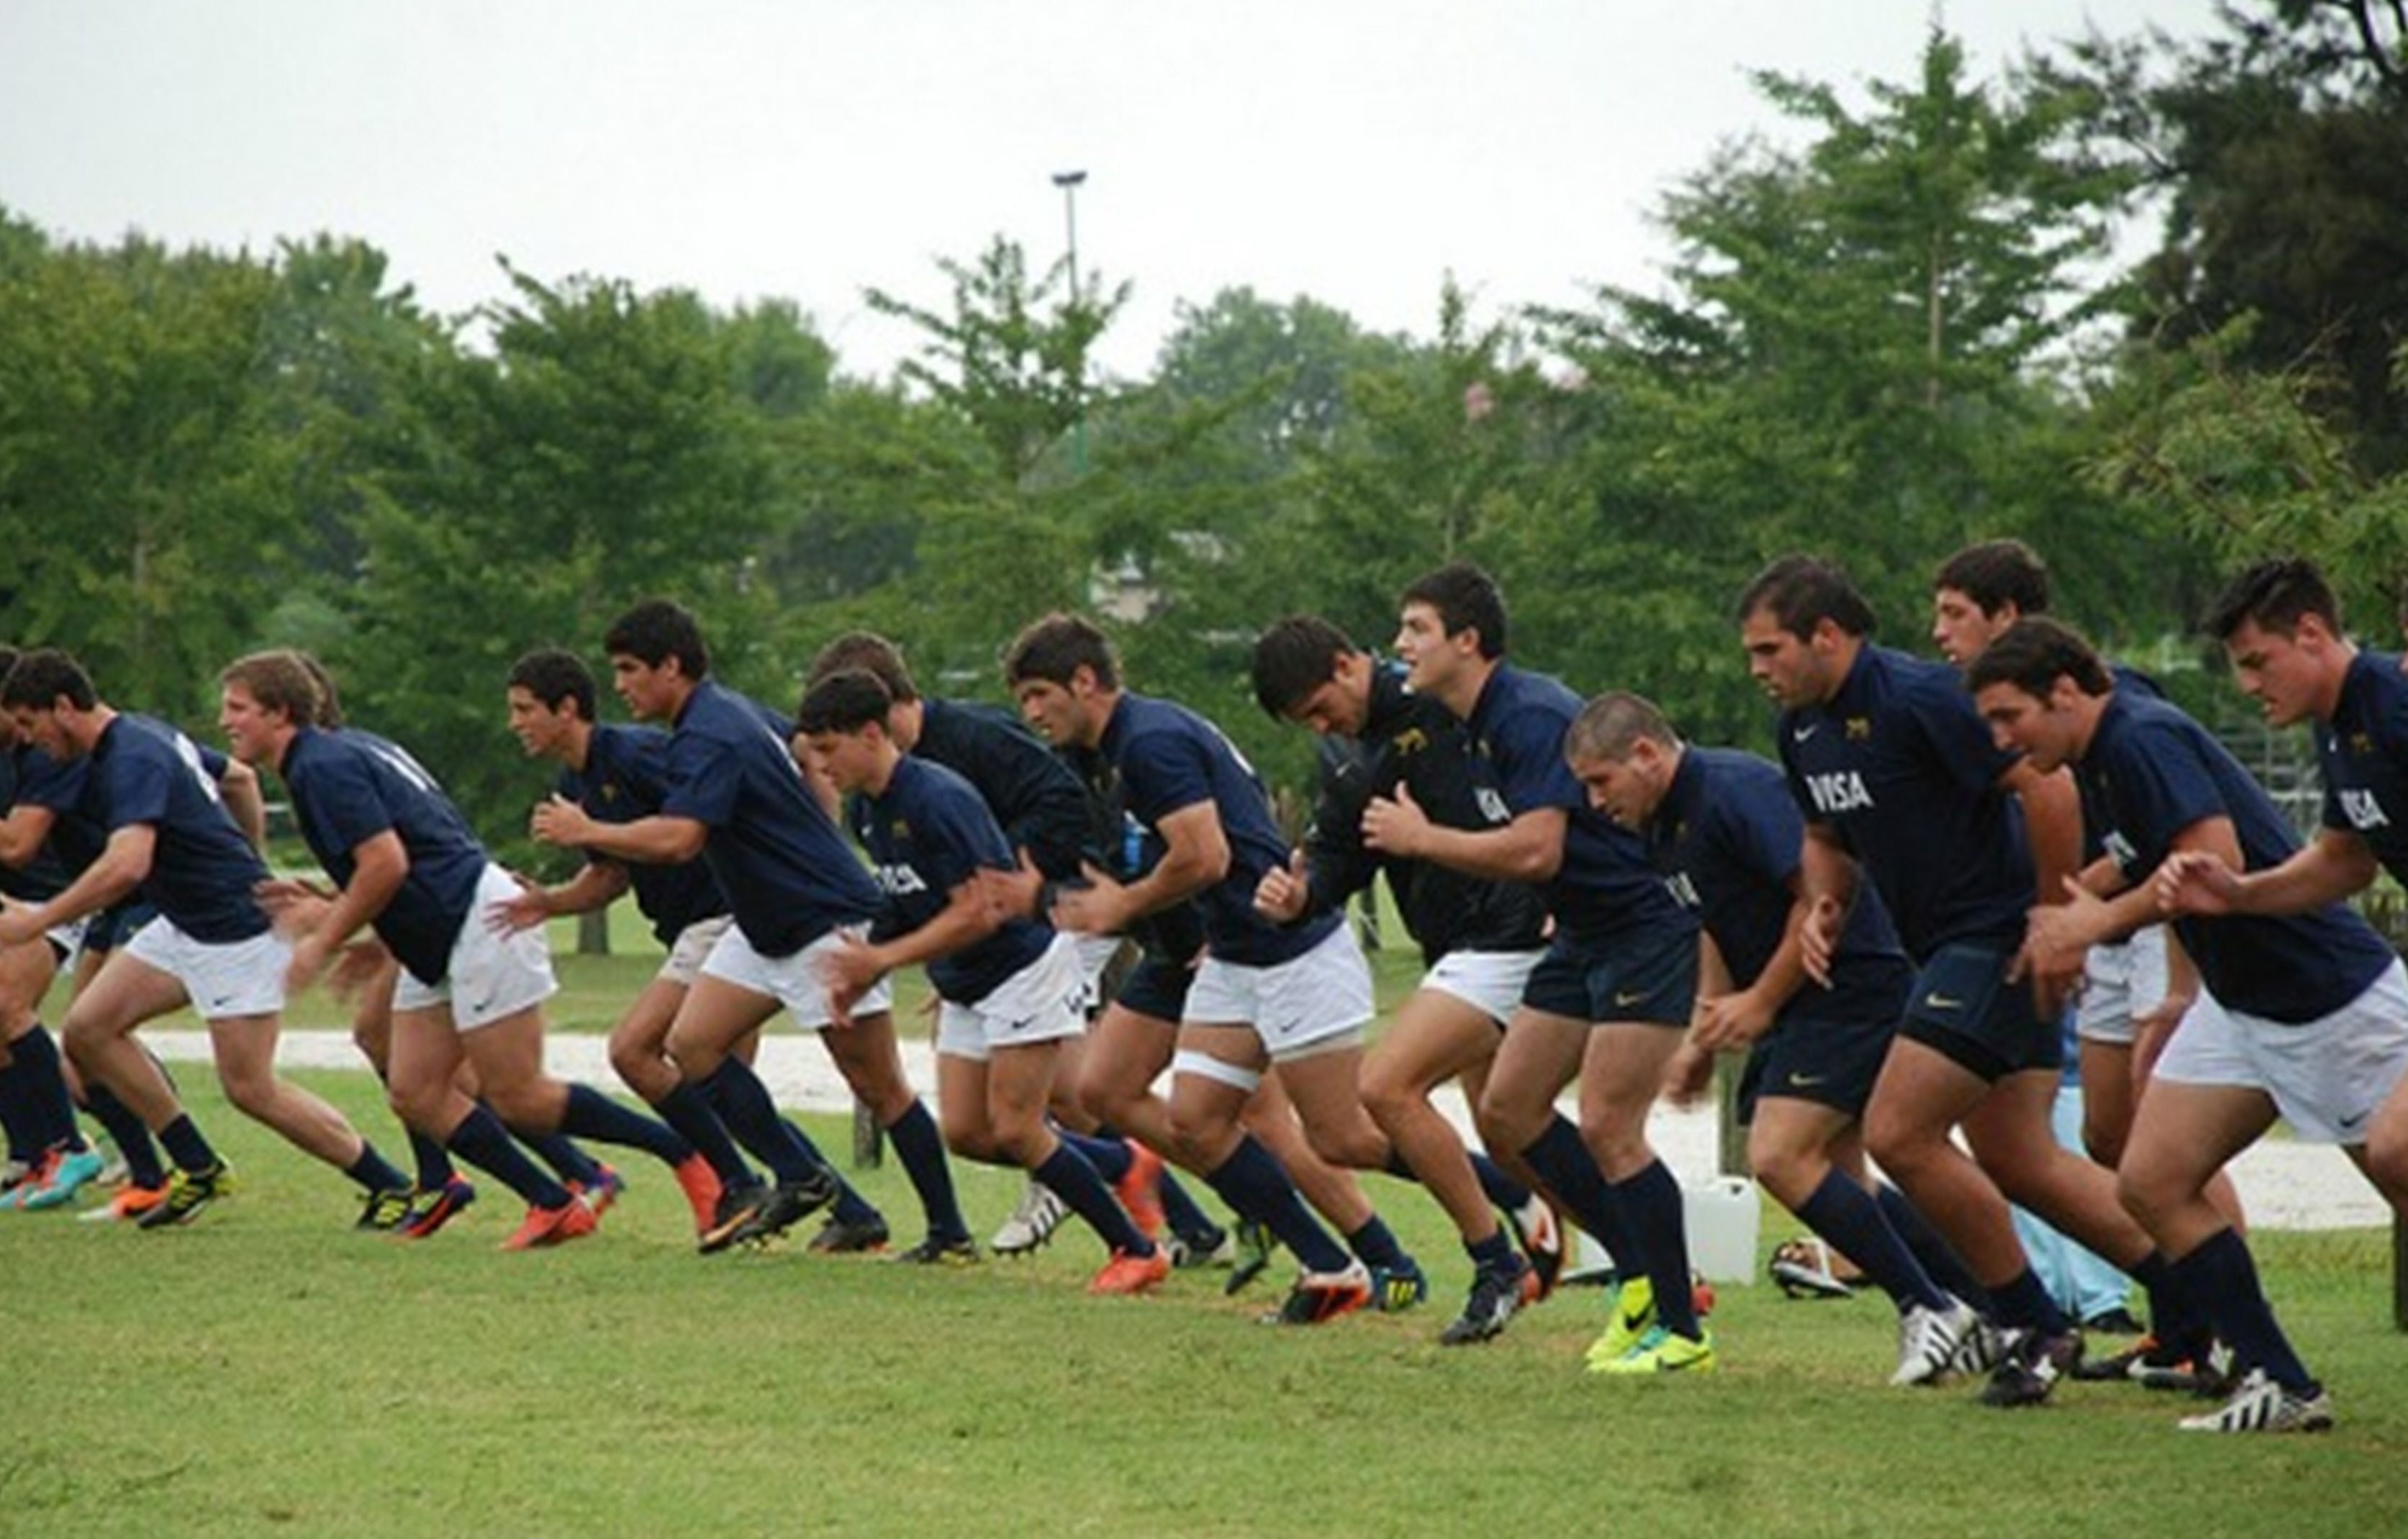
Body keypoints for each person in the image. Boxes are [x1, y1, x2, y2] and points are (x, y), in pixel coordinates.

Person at [1735, 555, 2202, 1407]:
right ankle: (2198, 1295)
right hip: (1948, 948)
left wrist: (2052, 918)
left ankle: (2029, 1324)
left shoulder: (1919, 698)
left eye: (1770, 649)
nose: (1758, 668)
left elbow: (2048, 789)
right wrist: (1822, 908)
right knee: (2022, 1160)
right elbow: (1826, 838)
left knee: (1897, 1132)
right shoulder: (1800, 730)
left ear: (1826, 636)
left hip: (1990, 939)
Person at [1970, 613, 2408, 1433]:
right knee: (2150, 1181)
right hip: (2238, 1006)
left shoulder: (2140, 737)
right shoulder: (2099, 758)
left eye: (2008, 716)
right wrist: (2079, 915)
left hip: (2327, 997)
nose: (2000, 739)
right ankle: (2283, 1383)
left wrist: (2095, 923)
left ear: (2062, 693)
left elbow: (2215, 855)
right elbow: (2151, 861)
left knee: (2400, 1172)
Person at [219, 650, 717, 1251]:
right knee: (416, 1090)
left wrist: (322, 937)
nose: (225, 721)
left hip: (476, 920)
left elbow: (387, 863)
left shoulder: (323, 766)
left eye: (238, 708)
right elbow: (410, 853)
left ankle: (683, 1152)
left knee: (520, 1096)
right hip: (438, 929)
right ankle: (552, 1201)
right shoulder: (334, 756)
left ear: (279, 712)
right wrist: (363, 926)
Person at [1004, 612, 1418, 1324]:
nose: (1032, 713)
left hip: (1272, 942)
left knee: (1330, 1134)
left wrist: (1122, 904)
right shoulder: (1094, 756)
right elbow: (1119, 863)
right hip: (1211, 948)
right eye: (1022, 701)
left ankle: (1490, 1197)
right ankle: (1332, 1259)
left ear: (1084, 680)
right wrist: (1044, 897)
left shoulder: (1149, 740)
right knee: (1122, 1093)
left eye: (1039, 694)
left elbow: (1204, 856)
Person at [535, 601, 972, 1263]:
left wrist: (588, 829)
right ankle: (799, 1176)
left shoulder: (711, 732)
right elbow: (803, 749)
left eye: (629, 669)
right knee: (692, 1044)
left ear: (671, 666)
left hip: (821, 917)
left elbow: (682, 839)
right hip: (763, 921)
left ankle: (949, 1233)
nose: (619, 685)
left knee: (878, 1086)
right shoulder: (717, 715)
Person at [1562, 691, 1978, 1384]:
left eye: (1601, 781)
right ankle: (1985, 1306)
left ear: (1645, 753)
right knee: (1841, 1175)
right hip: (1806, 1000)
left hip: (1853, 980)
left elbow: (1818, 898)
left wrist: (1760, 1000)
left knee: (1780, 1154)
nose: (1595, 801)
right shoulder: (1661, 828)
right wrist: (1704, 1032)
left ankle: (1929, 1306)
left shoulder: (1735, 790)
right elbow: (1712, 922)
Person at [1364, 564, 1708, 1374]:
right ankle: (1640, 1281)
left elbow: (1536, 849)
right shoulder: (1474, 724)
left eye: (1416, 628)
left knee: (1610, 1127)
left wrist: (1421, 841)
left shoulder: (1527, 713)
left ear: (1467, 640)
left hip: (1642, 927)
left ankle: (1681, 1325)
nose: (1401, 644)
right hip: (1581, 932)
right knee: (1510, 1111)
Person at [802, 632, 1228, 1262]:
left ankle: (1115, 1211)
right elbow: (911, 887)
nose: (823, 764)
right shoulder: (875, 802)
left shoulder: (969, 743)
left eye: (829, 745)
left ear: (881, 712)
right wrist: (935, 944)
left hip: (1065, 907)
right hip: (990, 935)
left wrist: (1001, 878)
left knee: (1049, 1106)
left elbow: (1066, 799)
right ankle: (1139, 1188)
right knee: (1033, 1110)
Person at [495, 648, 895, 1250]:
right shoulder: (576, 784)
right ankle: (850, 1210)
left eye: (525, 709)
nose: (516, 722)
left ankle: (738, 1183)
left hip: (722, 916)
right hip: (699, 929)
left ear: (566, 708)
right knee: (728, 1092)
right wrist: (547, 902)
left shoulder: (639, 752)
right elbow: (611, 875)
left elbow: (691, 827)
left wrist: (814, 829)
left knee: (636, 1049)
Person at [0, 648, 412, 1229]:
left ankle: (389, 1184)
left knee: (250, 1088)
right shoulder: (136, 735)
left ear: (64, 707)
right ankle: (198, 1165)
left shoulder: (133, 756)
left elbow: (126, 864)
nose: (27, 737)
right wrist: (248, 857)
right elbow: (237, 781)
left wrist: (39, 920)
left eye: (30, 722)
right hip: (184, 920)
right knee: (90, 1030)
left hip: (234, 931)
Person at [1249, 614, 1565, 1344]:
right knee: (1510, 1129)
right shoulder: (1348, 753)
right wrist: (1301, 894)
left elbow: (1532, 798)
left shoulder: (1444, 703)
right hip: (1457, 947)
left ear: (1344, 665)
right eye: (1305, 721)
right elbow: (1340, 854)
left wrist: (1554, 890)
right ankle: (1641, 1262)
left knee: (1387, 1086)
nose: (1320, 726)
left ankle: (1495, 1264)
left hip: (1510, 929)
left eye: (1320, 708)